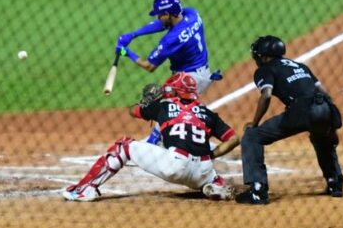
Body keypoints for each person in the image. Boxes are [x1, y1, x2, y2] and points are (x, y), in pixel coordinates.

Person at [63, 74, 239, 202]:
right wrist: (212, 155)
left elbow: (132, 111)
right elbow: (233, 139)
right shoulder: (208, 114)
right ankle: (215, 185)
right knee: (208, 171)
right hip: (203, 170)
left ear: (175, 92)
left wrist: (146, 102)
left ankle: (85, 190)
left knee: (124, 146)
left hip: (175, 166)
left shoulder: (163, 106)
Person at [234, 36, 343, 205]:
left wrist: (254, 123)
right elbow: (324, 93)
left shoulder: (265, 69)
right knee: (320, 136)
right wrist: (330, 124)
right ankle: (334, 182)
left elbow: (267, 95)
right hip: (324, 108)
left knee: (252, 137)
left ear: (263, 56)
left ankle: (257, 190)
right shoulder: (300, 65)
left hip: (300, 111)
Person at [116, 0, 222, 144]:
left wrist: (125, 52)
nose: (158, 17)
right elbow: (162, 24)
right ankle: (158, 141)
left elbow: (149, 66)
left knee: (166, 108)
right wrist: (134, 35)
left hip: (190, 80)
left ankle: (154, 144)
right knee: (170, 107)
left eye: (160, 14)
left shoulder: (172, 39)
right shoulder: (192, 13)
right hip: (201, 73)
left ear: (167, 14)